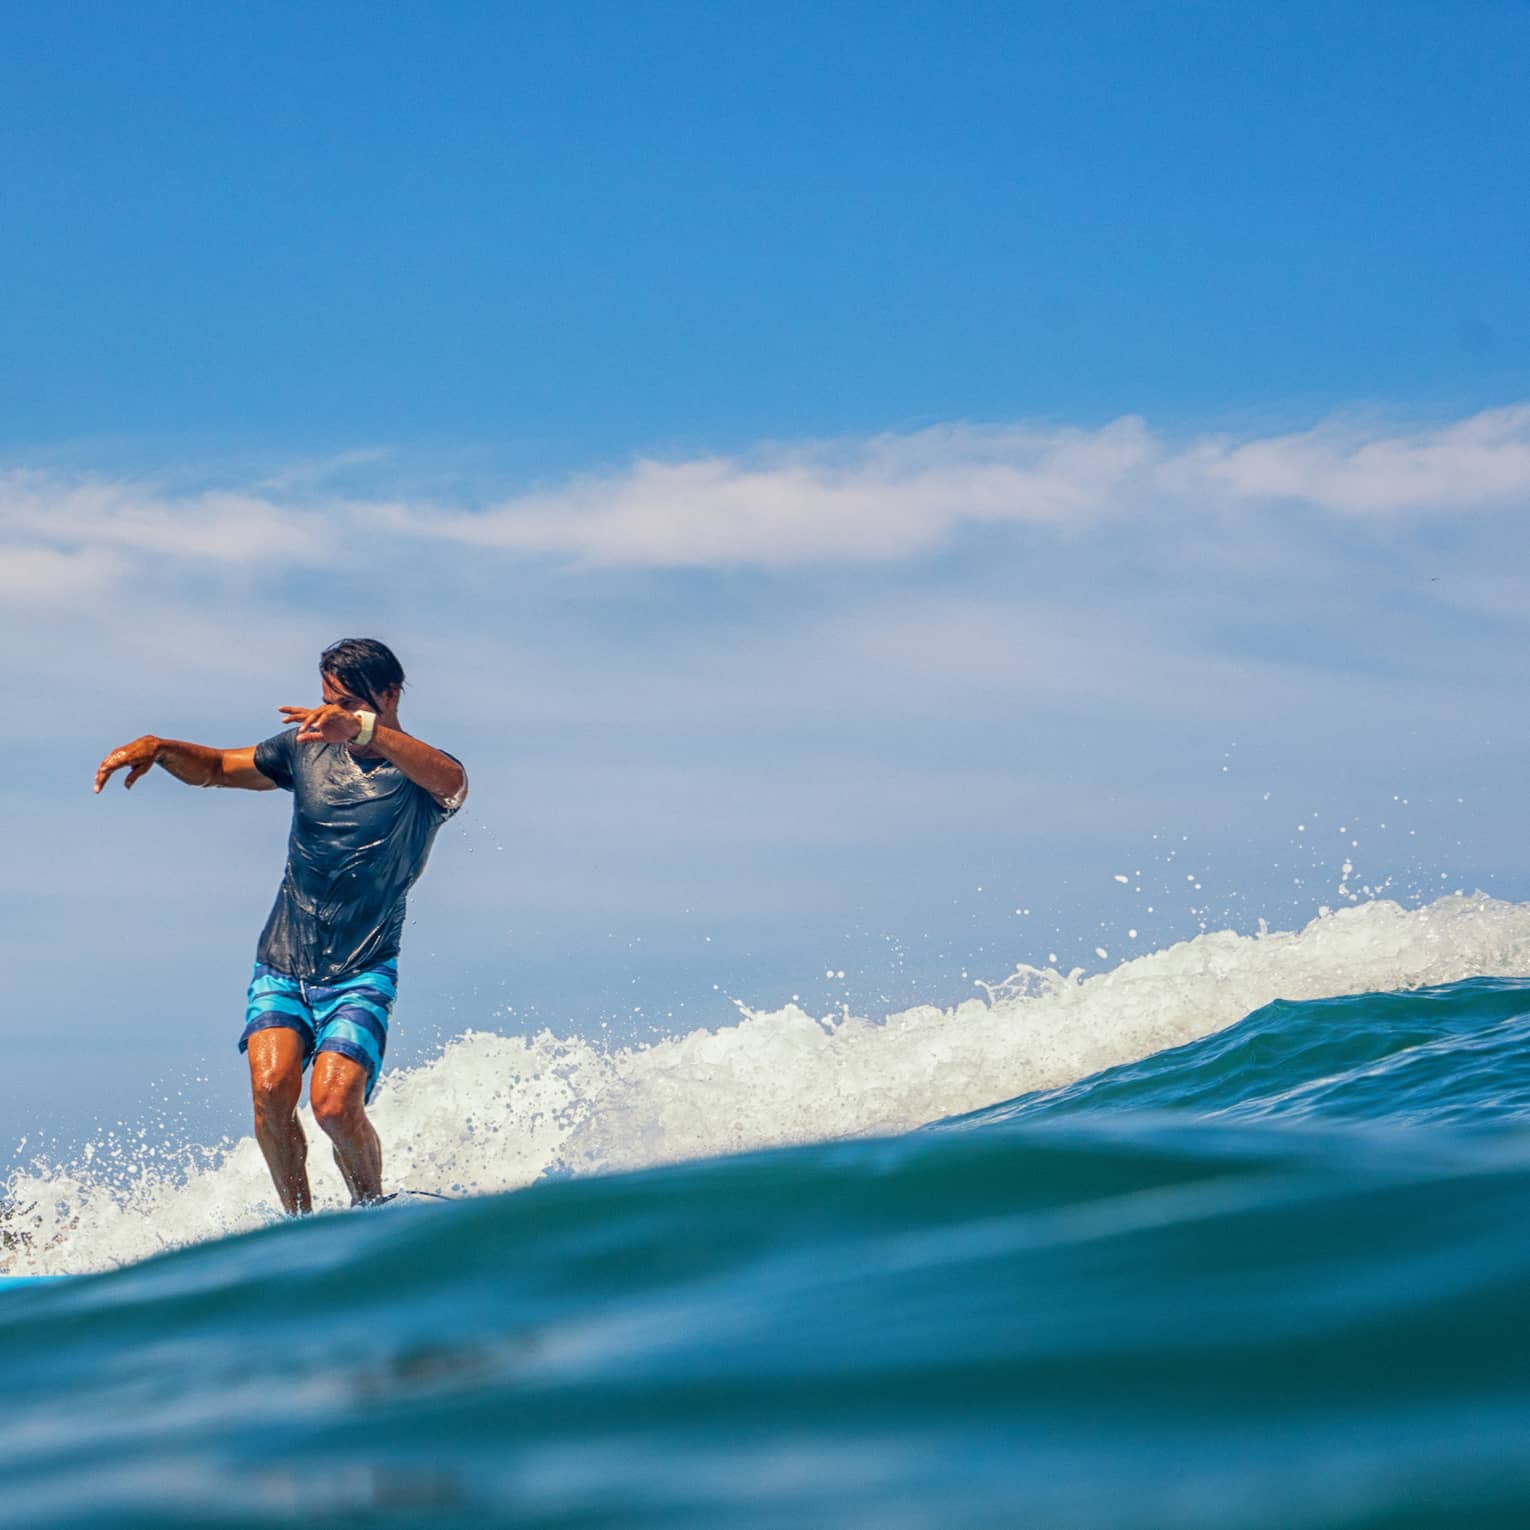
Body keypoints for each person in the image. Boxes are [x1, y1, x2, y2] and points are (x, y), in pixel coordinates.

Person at [93, 639, 467, 1213]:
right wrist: (162, 747)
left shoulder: (421, 776)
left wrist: (363, 733)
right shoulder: (306, 749)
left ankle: (371, 1214)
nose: (327, 715)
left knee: (336, 1106)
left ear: (389, 696)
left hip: (363, 969)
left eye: (344, 704)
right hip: (283, 961)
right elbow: (219, 768)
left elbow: (453, 781)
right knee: (271, 1089)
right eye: (325, 701)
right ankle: (298, 1227)